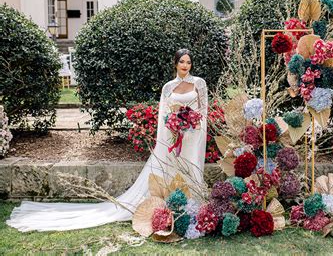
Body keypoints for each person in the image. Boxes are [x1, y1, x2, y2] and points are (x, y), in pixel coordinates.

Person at [7, 49, 208, 232]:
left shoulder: (199, 83)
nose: (185, 65)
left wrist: (192, 127)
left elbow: (203, 112)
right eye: (181, 61)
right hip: (172, 139)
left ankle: (191, 205)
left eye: (188, 62)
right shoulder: (168, 87)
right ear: (175, 63)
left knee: (188, 169)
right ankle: (169, 206)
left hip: (191, 137)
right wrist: (172, 129)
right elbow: (164, 115)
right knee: (169, 172)